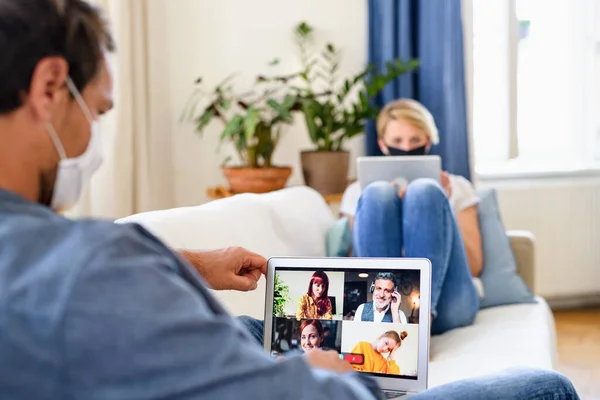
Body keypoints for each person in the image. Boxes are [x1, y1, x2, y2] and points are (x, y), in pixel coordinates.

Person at [0, 1, 580, 399]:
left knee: (271, 324)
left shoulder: (71, 264)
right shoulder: (88, 271)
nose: (93, 140)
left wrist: (197, 264)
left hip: (249, 346)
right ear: (51, 88)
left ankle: (398, 335)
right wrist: (330, 372)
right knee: (547, 388)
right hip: (311, 381)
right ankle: (394, 346)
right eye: (99, 112)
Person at [339, 98, 483, 335]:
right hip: (386, 304)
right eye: (397, 141)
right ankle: (393, 323)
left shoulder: (457, 186)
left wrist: (441, 205)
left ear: (428, 141)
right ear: (382, 144)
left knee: (424, 191)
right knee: (377, 193)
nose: (406, 147)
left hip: (449, 303)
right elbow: (356, 262)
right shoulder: (358, 191)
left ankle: (421, 322)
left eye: (415, 140)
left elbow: (475, 266)